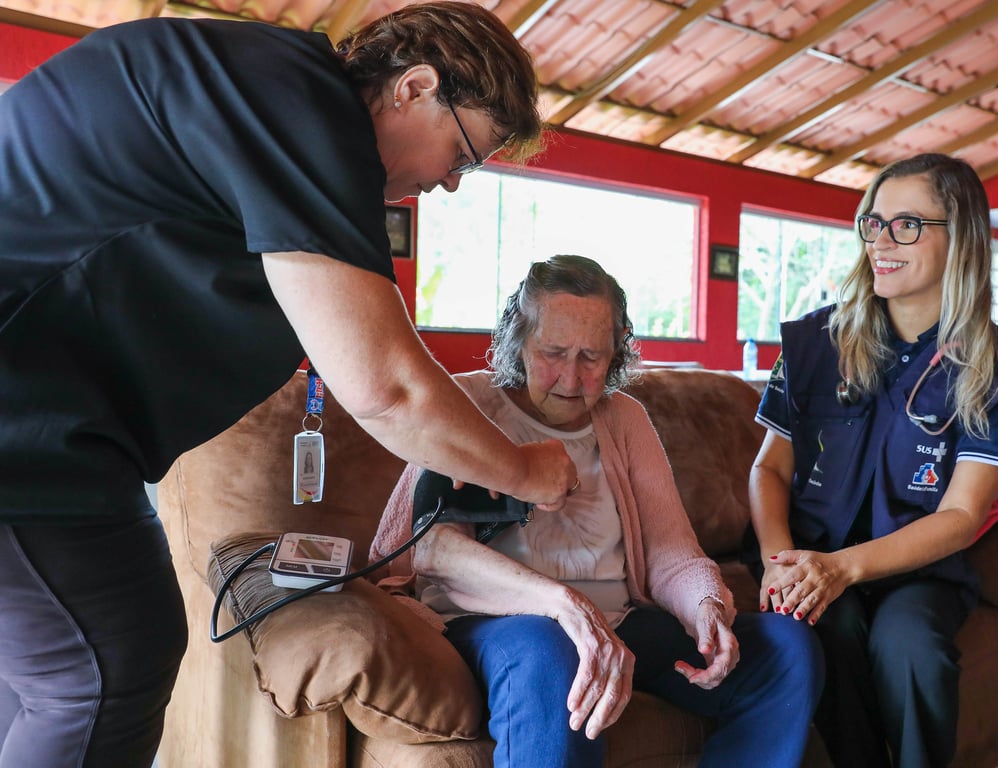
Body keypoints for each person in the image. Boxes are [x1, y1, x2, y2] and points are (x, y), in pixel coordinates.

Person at [0, 5, 577, 767]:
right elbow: (388, 388)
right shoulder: (301, 107)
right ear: (415, 87)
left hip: (56, 422)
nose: (448, 186)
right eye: (465, 155)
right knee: (105, 663)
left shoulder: (276, 109)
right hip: (25, 417)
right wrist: (528, 470)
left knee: (47, 671)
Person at [371, 255, 824, 768]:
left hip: (619, 619)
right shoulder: (466, 404)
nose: (570, 376)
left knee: (786, 649)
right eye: (553, 352)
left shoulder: (625, 419)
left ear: (618, 352)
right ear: (518, 339)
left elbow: (670, 551)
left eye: (592, 357)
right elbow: (432, 549)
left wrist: (706, 608)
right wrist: (563, 605)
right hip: (497, 621)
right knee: (554, 652)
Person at [742, 153, 998, 768]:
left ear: (960, 238)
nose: (882, 241)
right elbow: (768, 470)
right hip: (806, 555)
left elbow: (962, 514)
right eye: (873, 223)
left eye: (907, 225)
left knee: (912, 646)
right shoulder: (813, 345)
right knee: (827, 626)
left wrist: (846, 568)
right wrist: (779, 566)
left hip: (919, 574)